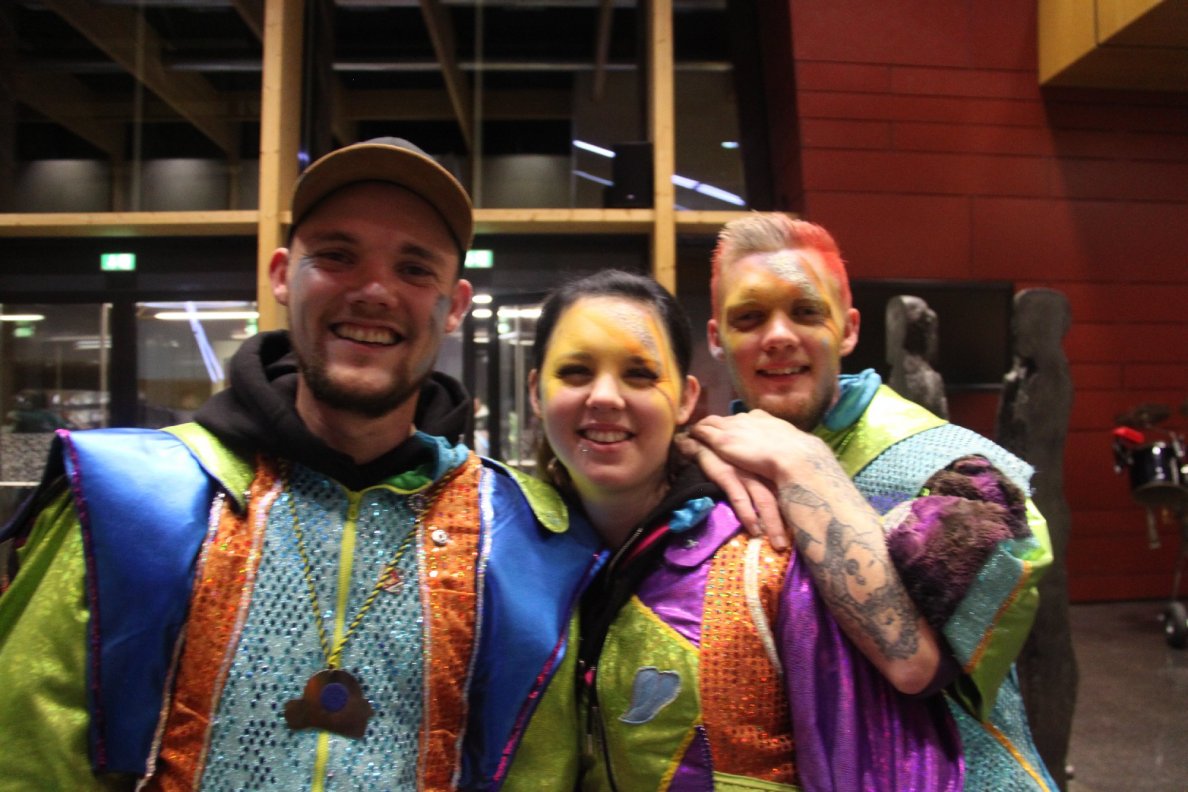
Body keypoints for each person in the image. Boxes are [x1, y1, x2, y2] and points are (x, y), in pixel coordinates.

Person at [0, 138, 602, 790]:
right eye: (338, 256)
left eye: (414, 268)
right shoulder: (127, 503)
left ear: (454, 306)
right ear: (283, 275)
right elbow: (27, 758)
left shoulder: (520, 539)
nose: (375, 291)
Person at [516, 269, 964, 790]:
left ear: (685, 399)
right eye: (575, 372)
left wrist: (807, 466)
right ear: (536, 392)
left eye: (639, 374)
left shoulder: (767, 556)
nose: (605, 397)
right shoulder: (507, 550)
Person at [689, 213, 1057, 790]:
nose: (778, 335)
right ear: (717, 338)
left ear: (848, 329)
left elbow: (914, 664)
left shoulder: (961, 477)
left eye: (805, 311)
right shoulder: (703, 463)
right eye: (750, 317)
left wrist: (805, 466)